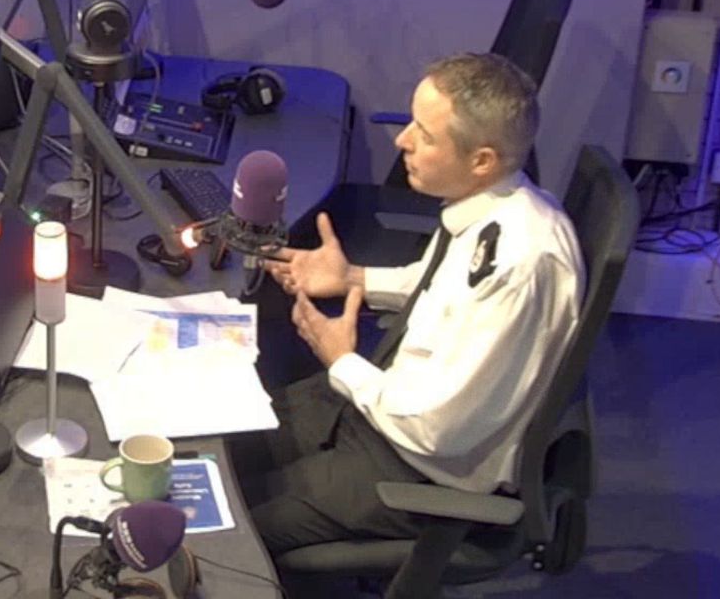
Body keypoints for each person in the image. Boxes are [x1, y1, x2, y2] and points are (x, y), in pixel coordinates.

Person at [237, 52, 585, 561]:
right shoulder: (499, 208)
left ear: (481, 159)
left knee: (229, 530)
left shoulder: (520, 263)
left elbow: (436, 430)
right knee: (230, 440)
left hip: (415, 466)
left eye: (423, 134)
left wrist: (342, 362)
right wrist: (352, 278)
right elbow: (438, 285)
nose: (402, 141)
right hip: (384, 404)